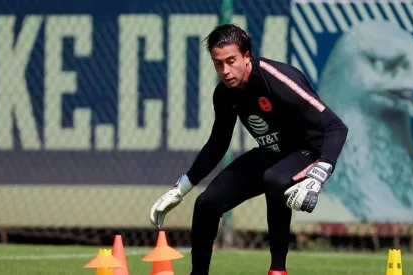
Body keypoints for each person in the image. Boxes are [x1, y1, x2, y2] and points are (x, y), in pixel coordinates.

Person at [149, 24, 348, 275]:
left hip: (310, 151)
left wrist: (320, 173)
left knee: (274, 179)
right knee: (206, 203)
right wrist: (181, 189)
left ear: (247, 55)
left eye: (231, 61)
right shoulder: (224, 94)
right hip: (273, 153)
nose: (225, 70)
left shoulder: (278, 80)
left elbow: (336, 127)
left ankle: (278, 270)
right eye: (218, 63)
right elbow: (217, 143)